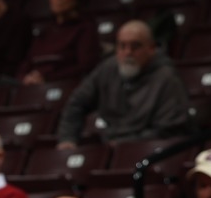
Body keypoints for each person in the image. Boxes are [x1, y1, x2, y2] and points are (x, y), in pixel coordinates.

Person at [56, 21, 191, 148]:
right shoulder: (107, 69)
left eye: (135, 46)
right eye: (122, 46)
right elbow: (76, 103)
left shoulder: (166, 78)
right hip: (112, 145)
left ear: (151, 48)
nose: (128, 52)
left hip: (148, 148)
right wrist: (68, 139)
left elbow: (170, 130)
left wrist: (124, 143)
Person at [18, 0, 98, 85]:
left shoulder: (85, 27)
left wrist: (48, 78)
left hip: (63, 88)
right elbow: (27, 63)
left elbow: (86, 67)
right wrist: (24, 78)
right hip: (33, 88)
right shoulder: (45, 31)